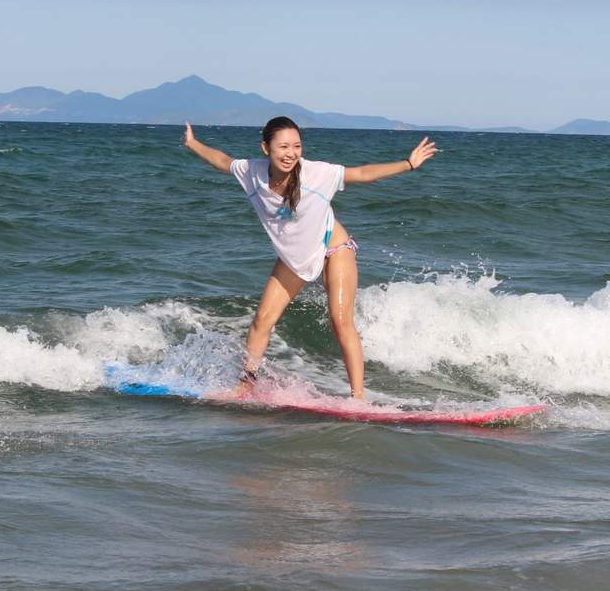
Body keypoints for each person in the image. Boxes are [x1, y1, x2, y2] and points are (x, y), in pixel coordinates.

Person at [183, 116, 437, 401]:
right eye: (283, 147)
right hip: (295, 258)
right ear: (265, 148)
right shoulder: (251, 172)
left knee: (340, 320)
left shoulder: (316, 174)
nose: (291, 153)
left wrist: (409, 163)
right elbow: (221, 160)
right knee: (261, 321)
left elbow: (362, 174)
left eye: (297, 146)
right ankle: (245, 385)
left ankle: (358, 397)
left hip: (333, 248)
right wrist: (193, 144)